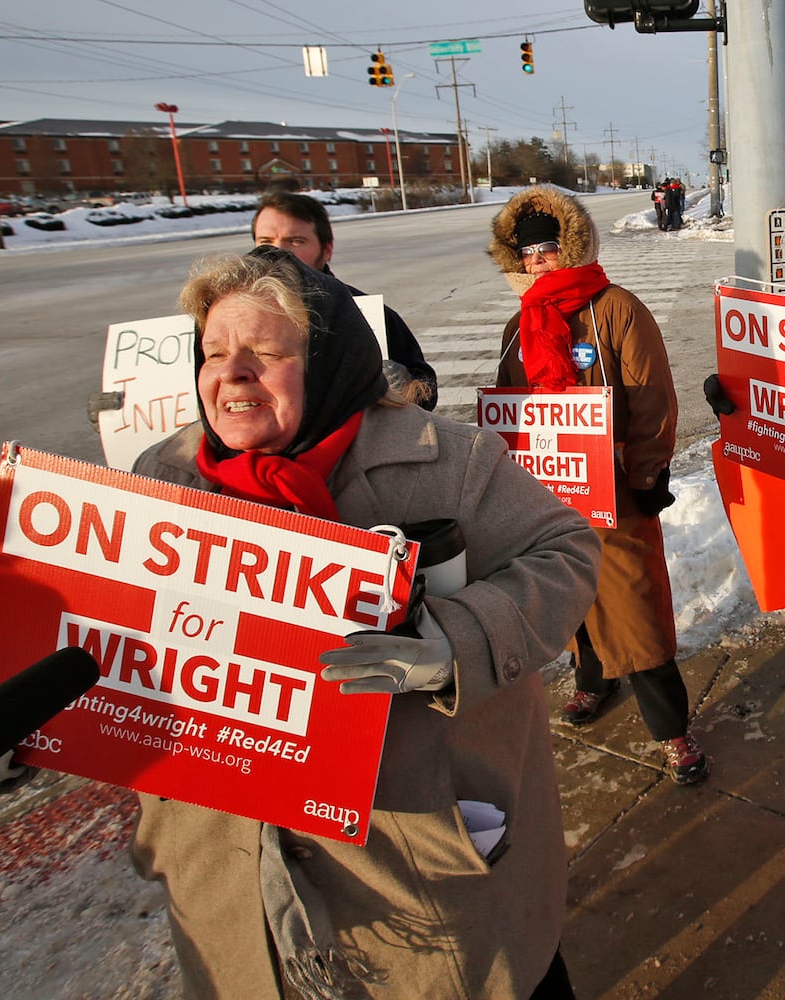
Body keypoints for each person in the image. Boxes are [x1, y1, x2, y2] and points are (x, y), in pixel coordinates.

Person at [128, 245, 601, 998]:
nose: (232, 372)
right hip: (235, 876)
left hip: (419, 864)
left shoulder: (446, 459)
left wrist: (458, 639)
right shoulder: (160, 479)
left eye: (265, 352)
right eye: (214, 352)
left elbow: (567, 552)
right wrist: (31, 720)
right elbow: (118, 641)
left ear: (329, 361)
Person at [488, 187, 708, 785]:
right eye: (529, 253)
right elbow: (509, 409)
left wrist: (646, 471)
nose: (539, 262)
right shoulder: (520, 324)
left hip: (614, 492)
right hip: (549, 495)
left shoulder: (615, 308)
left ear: (574, 247)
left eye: (549, 249)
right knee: (571, 600)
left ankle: (672, 729)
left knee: (634, 607)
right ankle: (592, 682)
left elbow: (651, 394)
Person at [251, 190, 439, 408]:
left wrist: (405, 387)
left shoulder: (368, 314)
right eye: (266, 240)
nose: (279, 251)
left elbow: (426, 393)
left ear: (326, 250)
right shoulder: (224, 317)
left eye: (296, 241)